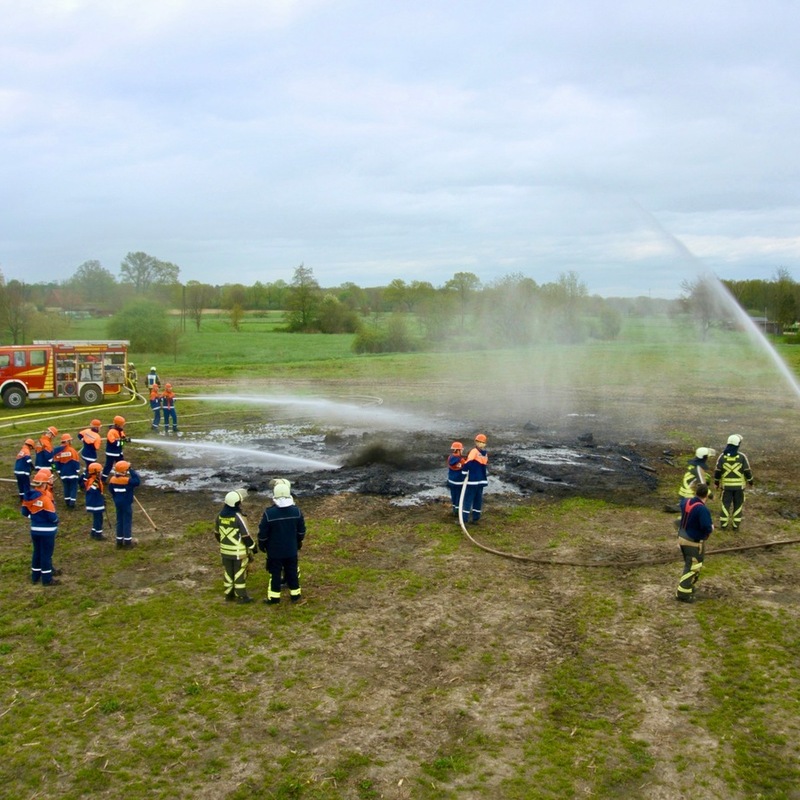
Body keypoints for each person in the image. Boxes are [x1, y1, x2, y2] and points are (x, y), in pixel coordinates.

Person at [258, 479, 307, 605]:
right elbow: (301, 531)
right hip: (291, 550)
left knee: (275, 574)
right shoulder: (296, 511)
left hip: (274, 552)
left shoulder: (269, 514)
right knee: (292, 572)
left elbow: (263, 533)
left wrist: (262, 545)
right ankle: (295, 595)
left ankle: (274, 598)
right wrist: (297, 542)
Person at [214, 489, 256, 604]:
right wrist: (253, 547)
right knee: (239, 573)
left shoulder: (219, 516)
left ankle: (228, 594)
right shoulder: (238, 517)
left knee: (228, 572)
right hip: (239, 552)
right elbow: (246, 536)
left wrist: (224, 544)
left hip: (225, 551)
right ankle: (242, 596)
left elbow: (217, 534)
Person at [676, 484, 714, 603]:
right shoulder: (702, 509)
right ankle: (682, 593)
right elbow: (706, 526)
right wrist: (710, 529)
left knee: (690, 565)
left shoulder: (686, 502)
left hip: (682, 539)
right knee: (692, 567)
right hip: (693, 542)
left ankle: (687, 588)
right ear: (706, 495)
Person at [21, 468, 60, 586]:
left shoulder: (29, 496)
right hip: (47, 531)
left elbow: (24, 512)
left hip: (35, 529)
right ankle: (47, 579)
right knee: (46, 554)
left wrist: (34, 518)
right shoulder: (45, 498)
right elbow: (52, 516)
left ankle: (35, 576)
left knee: (36, 552)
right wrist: (56, 521)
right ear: (44, 484)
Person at [714, 434, 754, 530]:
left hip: (726, 487)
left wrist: (716, 483)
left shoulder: (722, 457)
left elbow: (717, 471)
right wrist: (750, 482)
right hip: (739, 488)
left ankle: (723, 526)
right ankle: (735, 526)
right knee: (738, 506)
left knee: (725, 505)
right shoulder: (742, 457)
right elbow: (747, 471)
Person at [108, 459, 140, 548]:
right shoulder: (127, 480)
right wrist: (131, 469)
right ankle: (127, 542)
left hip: (118, 503)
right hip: (126, 504)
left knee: (119, 521)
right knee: (127, 521)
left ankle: (119, 541)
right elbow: (137, 481)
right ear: (124, 471)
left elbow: (111, 491)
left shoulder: (112, 480)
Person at [461, 434, 489, 525]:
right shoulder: (485, 454)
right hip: (481, 481)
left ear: (476, 442)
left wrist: (464, 472)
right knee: (478, 499)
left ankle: (464, 519)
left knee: (468, 499)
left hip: (473, 481)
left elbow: (468, 463)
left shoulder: (474, 451)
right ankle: (476, 518)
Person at [53, 433, 81, 509]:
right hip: (72, 473)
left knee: (66, 487)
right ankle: (72, 503)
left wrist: (59, 471)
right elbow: (76, 461)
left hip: (63, 474)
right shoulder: (72, 450)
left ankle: (67, 502)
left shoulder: (58, 452)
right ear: (68, 441)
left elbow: (55, 462)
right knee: (73, 488)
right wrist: (77, 470)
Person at [82, 462, 107, 540]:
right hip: (96, 504)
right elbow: (92, 491)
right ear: (96, 472)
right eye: (100, 471)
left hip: (94, 503)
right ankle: (98, 534)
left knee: (96, 518)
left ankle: (93, 532)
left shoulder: (91, 479)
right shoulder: (94, 481)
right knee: (99, 519)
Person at [102, 416, 127, 480]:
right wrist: (122, 442)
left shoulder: (121, 431)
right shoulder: (111, 432)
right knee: (108, 466)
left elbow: (122, 442)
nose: (122, 426)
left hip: (119, 452)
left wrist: (124, 441)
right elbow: (114, 443)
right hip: (111, 453)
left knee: (122, 465)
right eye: (122, 425)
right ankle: (103, 479)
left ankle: (122, 477)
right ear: (117, 425)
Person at [447, 441, 466, 517]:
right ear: (458, 450)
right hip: (459, 482)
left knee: (453, 495)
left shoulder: (449, 458)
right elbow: (465, 466)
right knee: (459, 496)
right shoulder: (461, 460)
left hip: (451, 481)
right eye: (461, 449)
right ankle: (458, 510)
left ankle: (454, 508)